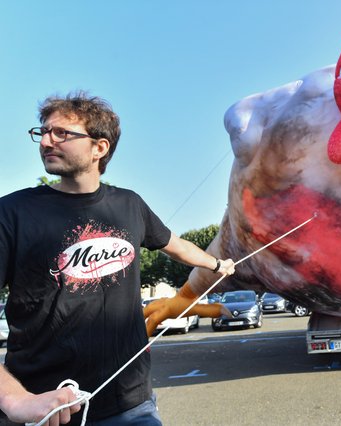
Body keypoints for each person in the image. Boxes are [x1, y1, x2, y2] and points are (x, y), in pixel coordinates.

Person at [0, 92, 235, 425]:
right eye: (43, 132)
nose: (46, 141)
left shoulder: (129, 205)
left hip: (130, 405)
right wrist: (15, 400)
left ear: (100, 147)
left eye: (62, 133)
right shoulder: (11, 213)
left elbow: (175, 245)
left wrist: (216, 264)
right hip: (43, 410)